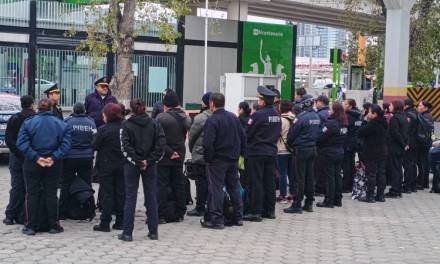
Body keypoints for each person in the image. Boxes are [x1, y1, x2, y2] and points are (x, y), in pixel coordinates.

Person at [17, 99, 71, 235]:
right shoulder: (61, 124)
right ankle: (53, 225)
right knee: (51, 194)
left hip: (33, 163)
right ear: (51, 109)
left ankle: (31, 226)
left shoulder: (29, 123)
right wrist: (53, 157)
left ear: (37, 108)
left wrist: (36, 157)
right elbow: (66, 144)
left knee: (32, 194)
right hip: (53, 163)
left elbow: (21, 143)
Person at [119, 98, 165, 242]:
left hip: (132, 165)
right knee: (151, 196)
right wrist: (149, 161)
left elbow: (124, 146)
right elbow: (161, 144)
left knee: (130, 197)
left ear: (131, 109)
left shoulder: (126, 125)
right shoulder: (155, 123)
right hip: (150, 165)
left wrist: (137, 161)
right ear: (145, 108)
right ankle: (153, 232)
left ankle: (127, 233)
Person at [200, 93, 245, 229]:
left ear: (212, 103)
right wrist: (240, 154)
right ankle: (238, 217)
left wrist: (209, 159)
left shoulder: (212, 120)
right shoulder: (233, 117)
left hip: (218, 160)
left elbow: (208, 143)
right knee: (234, 187)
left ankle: (217, 219)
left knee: (216, 188)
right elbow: (243, 137)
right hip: (233, 158)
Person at [243, 86, 281, 222]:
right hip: (271, 151)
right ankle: (269, 211)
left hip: (257, 152)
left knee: (256, 182)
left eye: (259, 99)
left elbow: (248, 132)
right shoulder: (277, 115)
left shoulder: (258, 115)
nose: (258, 101)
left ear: (263, 101)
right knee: (269, 182)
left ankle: (255, 212)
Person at [156, 91, 191, 223]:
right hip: (180, 153)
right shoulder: (185, 118)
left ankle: (161, 214)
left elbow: (158, 139)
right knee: (178, 183)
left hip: (165, 155)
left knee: (162, 184)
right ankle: (180, 212)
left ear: (165, 104)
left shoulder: (161, 118)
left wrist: (170, 152)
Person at [59, 103, 96, 219]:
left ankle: (62, 212)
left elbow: (61, 138)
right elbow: (95, 139)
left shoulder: (67, 122)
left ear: (73, 111)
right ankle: (90, 209)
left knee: (65, 184)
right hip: (86, 157)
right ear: (84, 111)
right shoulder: (91, 122)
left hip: (69, 157)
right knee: (87, 183)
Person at [284, 97, 321, 214]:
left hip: (301, 149)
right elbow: (319, 133)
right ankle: (309, 203)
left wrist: (290, 144)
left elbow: (291, 135)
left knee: (299, 178)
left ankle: (297, 204)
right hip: (312, 149)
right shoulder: (316, 116)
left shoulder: (300, 118)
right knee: (309, 177)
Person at [92, 103, 125, 232]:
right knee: (121, 193)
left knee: (107, 194)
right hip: (122, 165)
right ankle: (120, 221)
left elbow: (95, 145)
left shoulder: (103, 129)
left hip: (106, 166)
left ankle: (105, 223)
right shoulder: (125, 127)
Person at [3, 95, 35, 225]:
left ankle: (11, 215)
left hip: (16, 157)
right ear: (32, 104)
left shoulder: (14, 118)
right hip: (31, 157)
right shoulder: (35, 118)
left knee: (16, 186)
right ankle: (25, 215)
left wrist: (18, 153)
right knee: (30, 187)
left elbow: (9, 140)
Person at [316, 102, 348, 208]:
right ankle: (338, 199)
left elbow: (321, 137)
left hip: (329, 152)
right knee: (337, 175)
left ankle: (329, 200)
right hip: (339, 151)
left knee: (329, 177)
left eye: (330, 109)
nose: (329, 111)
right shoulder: (344, 123)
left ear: (335, 111)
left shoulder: (331, 123)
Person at [187, 92, 213, 217]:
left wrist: (192, 150)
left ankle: (200, 207)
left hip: (200, 153)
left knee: (200, 181)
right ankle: (210, 204)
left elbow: (192, 136)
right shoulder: (217, 116)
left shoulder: (201, 118)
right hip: (213, 155)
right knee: (210, 181)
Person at [357, 104, 388, 203]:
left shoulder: (372, 124)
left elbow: (360, 132)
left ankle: (370, 196)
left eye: (369, 112)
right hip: (382, 151)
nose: (367, 113)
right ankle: (380, 195)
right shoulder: (384, 122)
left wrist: (365, 120)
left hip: (372, 151)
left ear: (374, 114)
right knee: (381, 173)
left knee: (371, 174)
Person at [385, 100, 409, 198]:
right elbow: (406, 133)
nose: (389, 107)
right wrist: (406, 144)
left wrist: (403, 144)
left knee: (395, 169)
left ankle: (394, 191)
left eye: (390, 105)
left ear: (395, 106)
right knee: (398, 168)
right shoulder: (404, 117)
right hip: (401, 147)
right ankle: (398, 190)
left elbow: (395, 133)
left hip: (395, 146)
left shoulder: (395, 118)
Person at [342, 99, 362, 193]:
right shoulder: (359, 115)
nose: (343, 105)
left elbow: (344, 131)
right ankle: (351, 184)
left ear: (350, 106)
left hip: (347, 143)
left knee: (346, 165)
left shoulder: (347, 117)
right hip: (355, 143)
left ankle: (346, 186)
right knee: (351, 164)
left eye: (345, 104)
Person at [276, 100, 294, 203]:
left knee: (283, 174)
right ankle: (292, 193)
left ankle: (282, 196)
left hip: (282, 149)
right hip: (292, 149)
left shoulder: (281, 120)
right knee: (291, 173)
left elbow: (276, 133)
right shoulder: (294, 117)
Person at [415, 100, 434, 190]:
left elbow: (424, 130)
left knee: (421, 162)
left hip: (423, 143)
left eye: (420, 106)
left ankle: (421, 183)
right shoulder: (428, 115)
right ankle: (424, 182)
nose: (418, 107)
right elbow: (432, 131)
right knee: (424, 162)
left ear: (426, 108)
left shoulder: (425, 116)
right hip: (426, 142)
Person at [314, 95, 330, 195]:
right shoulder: (329, 112)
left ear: (320, 102)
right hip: (329, 145)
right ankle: (324, 187)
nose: (316, 104)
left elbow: (319, 131)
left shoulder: (319, 115)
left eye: (317, 102)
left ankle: (319, 188)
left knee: (319, 169)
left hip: (321, 145)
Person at [403, 99, 418, 193]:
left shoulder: (408, 115)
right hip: (416, 142)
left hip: (409, 142)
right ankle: (413, 185)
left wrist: (406, 143)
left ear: (406, 105)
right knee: (412, 164)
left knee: (407, 164)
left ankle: (407, 186)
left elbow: (406, 131)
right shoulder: (416, 113)